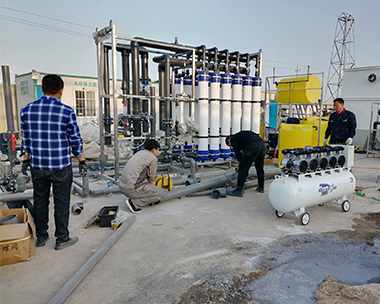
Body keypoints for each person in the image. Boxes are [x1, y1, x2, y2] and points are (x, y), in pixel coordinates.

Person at [20, 74, 87, 250]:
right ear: (61, 91)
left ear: (42, 90)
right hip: (61, 167)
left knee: (40, 201)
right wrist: (81, 159)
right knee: (62, 202)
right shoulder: (67, 111)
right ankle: (62, 239)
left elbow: (25, 139)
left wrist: (25, 159)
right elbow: (75, 139)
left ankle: (41, 237)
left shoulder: (27, 110)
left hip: (38, 165)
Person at [119, 139, 168, 214]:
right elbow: (152, 178)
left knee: (146, 184)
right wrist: (153, 194)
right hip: (131, 188)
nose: (158, 152)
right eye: (158, 150)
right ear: (154, 150)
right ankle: (134, 202)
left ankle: (135, 197)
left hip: (122, 185)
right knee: (163, 193)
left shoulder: (139, 153)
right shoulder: (152, 158)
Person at [225, 131, 266, 197]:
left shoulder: (233, 139)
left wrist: (239, 161)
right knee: (259, 168)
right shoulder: (242, 136)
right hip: (262, 146)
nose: (231, 146)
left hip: (252, 146)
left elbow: (237, 151)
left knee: (243, 169)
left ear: (228, 140)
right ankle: (261, 187)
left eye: (230, 145)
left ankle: (238, 190)